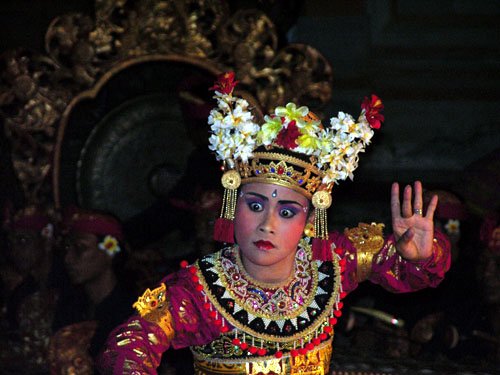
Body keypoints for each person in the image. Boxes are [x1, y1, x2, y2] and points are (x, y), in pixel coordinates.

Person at [97, 72, 450, 375]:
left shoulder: (331, 264)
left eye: (286, 212)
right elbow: (128, 347)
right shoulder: (198, 293)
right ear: (233, 206)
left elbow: (409, 273)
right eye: (255, 205)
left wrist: (418, 256)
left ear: (311, 219)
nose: (267, 224)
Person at [49, 207, 134, 375]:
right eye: (66, 249)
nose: (68, 259)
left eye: (80, 248)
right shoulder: (70, 307)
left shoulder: (131, 315)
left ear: (109, 251)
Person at [0, 205, 58, 374]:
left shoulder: (69, 283)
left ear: (46, 241)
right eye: (11, 243)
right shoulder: (23, 290)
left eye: (23, 241)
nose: (15, 251)